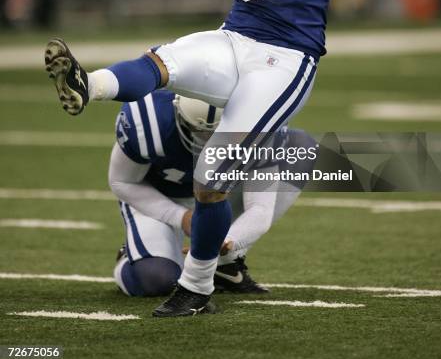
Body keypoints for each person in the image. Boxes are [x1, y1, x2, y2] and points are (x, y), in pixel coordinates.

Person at [45, 0, 338, 317]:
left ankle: (199, 285)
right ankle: (86, 84)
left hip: (285, 57)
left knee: (212, 173)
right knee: (165, 62)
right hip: (238, 36)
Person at [110, 91, 310, 297]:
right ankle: (131, 257)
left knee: (300, 148)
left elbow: (260, 207)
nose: (205, 141)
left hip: (221, 196)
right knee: (157, 279)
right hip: (160, 197)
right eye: (197, 130)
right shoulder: (149, 118)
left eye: (217, 132)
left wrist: (228, 241)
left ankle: (224, 266)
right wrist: (182, 217)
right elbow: (121, 181)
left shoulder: (257, 122)